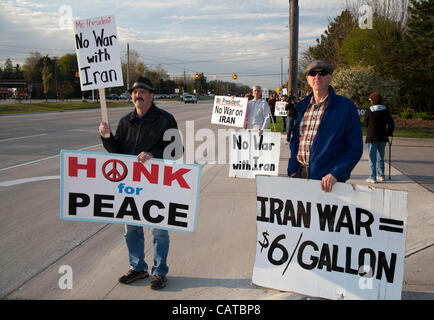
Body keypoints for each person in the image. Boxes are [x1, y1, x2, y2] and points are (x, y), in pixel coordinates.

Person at [98, 76, 182, 290]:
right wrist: (107, 137)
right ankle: (138, 268)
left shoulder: (165, 119)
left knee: (158, 231)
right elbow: (117, 151)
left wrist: (154, 155)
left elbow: (177, 150)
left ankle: (159, 271)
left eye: (143, 92)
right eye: (135, 92)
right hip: (131, 185)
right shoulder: (126, 121)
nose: (138, 95)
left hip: (156, 184)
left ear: (152, 96)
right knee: (131, 229)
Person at [287, 60, 363, 192]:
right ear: (307, 78)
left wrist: (336, 174)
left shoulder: (345, 107)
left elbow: (355, 148)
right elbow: (295, 140)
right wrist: (292, 167)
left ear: (330, 77)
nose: (317, 77)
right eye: (312, 73)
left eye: (322, 73)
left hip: (328, 181)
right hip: (299, 176)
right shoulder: (303, 107)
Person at [364, 92, 394, 183]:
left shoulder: (369, 110)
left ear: (373, 100)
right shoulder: (385, 110)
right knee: (380, 157)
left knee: (372, 158)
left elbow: (365, 124)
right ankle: (381, 175)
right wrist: (390, 133)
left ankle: (372, 177)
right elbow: (391, 123)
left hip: (372, 137)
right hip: (383, 137)